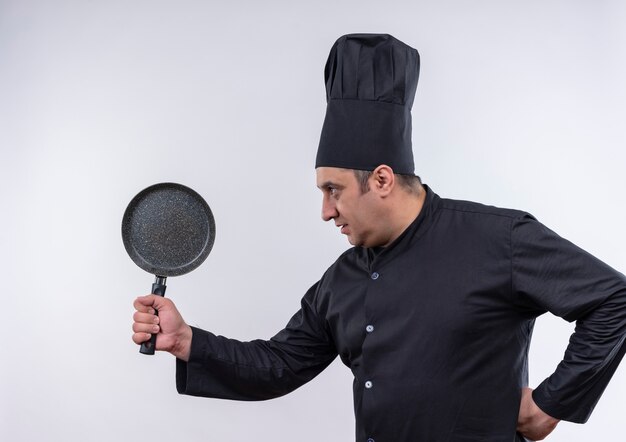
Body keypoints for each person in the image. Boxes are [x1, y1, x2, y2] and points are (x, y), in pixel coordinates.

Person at [132, 34, 626, 442]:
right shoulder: (341, 280)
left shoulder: (499, 238)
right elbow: (279, 365)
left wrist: (550, 403)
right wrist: (187, 341)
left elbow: (613, 299)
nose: (326, 211)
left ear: (383, 180)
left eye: (334, 190)